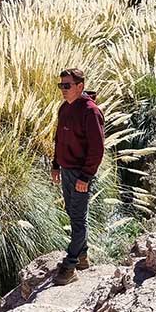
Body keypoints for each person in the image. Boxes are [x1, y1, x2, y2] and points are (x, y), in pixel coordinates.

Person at [50, 68, 105, 286]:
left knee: (78, 217)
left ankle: (70, 265)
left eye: (67, 85)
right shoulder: (64, 108)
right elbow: (58, 139)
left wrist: (86, 176)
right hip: (66, 170)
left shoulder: (90, 111)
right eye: (61, 86)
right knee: (71, 213)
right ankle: (82, 258)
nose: (63, 90)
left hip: (81, 173)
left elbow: (97, 149)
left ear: (79, 86)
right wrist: (55, 165)